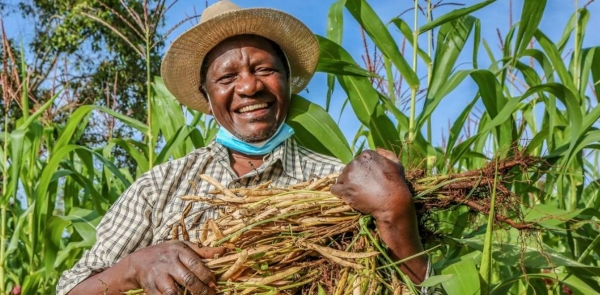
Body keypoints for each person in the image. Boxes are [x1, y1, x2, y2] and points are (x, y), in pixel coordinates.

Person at [57, 1, 429, 294]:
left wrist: (396, 213)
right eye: (227, 77)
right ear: (207, 95)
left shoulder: (340, 185)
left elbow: (415, 288)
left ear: (288, 82)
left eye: (265, 70)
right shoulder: (161, 186)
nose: (249, 87)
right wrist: (133, 269)